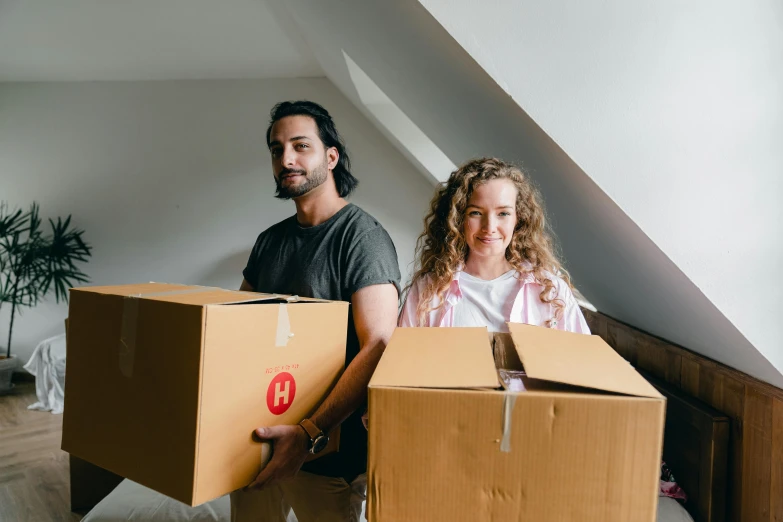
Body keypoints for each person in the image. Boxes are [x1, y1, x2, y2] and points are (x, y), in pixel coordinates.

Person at [233, 100, 400, 522]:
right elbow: (236, 327)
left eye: (300, 145)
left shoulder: (362, 238)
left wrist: (308, 433)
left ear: (330, 156)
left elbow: (379, 346)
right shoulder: (269, 241)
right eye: (276, 149)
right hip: (257, 439)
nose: (286, 158)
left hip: (325, 453)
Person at [399, 157, 589, 334]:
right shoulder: (427, 291)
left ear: (519, 218)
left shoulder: (552, 291)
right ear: (457, 219)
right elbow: (403, 362)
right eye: (476, 213)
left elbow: (582, 361)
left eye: (503, 213)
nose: (489, 227)